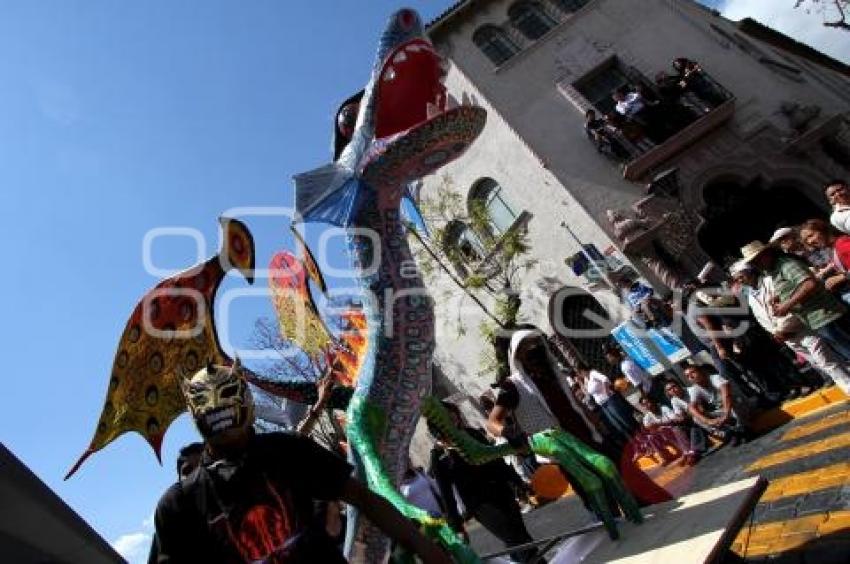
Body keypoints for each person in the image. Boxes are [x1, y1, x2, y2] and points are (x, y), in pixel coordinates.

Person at [152, 360, 450, 564]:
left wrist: (426, 548)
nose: (220, 412)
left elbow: (363, 498)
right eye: (210, 405)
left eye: (227, 398)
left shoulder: (286, 450)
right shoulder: (179, 504)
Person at [487, 329, 643, 540]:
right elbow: (492, 422)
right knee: (593, 491)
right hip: (562, 448)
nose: (534, 350)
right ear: (517, 355)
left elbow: (574, 403)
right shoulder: (512, 386)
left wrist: (597, 423)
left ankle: (641, 518)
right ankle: (617, 532)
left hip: (588, 436)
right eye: (526, 348)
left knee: (617, 472)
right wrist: (509, 433)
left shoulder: (554, 374)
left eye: (537, 344)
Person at [428, 401, 538, 562]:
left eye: (452, 412)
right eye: (445, 415)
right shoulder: (438, 456)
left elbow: (497, 460)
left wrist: (518, 482)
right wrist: (457, 527)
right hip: (481, 505)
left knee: (519, 536)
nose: (451, 416)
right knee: (515, 537)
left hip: (502, 492)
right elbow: (447, 495)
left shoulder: (472, 434)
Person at [730, 260, 850, 394]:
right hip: (786, 337)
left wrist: (782, 330)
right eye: (737, 278)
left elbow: (789, 306)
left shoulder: (770, 281)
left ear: (750, 271)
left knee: (826, 361)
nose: (740, 280)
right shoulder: (750, 295)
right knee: (819, 364)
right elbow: (761, 317)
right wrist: (774, 332)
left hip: (801, 329)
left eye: (741, 275)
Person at [742, 240, 850, 363]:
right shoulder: (774, 270)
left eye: (756, 260)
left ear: (766, 254)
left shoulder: (786, 265)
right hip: (817, 319)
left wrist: (787, 305)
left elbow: (809, 284)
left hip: (826, 314)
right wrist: (780, 297)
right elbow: (795, 286)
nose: (756, 264)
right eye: (752, 262)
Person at [575, 363, 639, 450]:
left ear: (582, 370)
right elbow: (587, 392)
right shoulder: (587, 379)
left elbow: (605, 379)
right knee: (618, 425)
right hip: (603, 405)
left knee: (625, 421)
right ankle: (636, 445)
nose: (579, 375)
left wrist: (606, 390)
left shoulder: (593, 373)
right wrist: (580, 382)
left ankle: (641, 436)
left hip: (609, 401)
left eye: (579, 373)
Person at [683, 363, 749, 445]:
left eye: (693, 372)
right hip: (724, 412)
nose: (691, 377)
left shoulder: (715, 378)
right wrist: (708, 421)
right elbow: (691, 407)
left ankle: (743, 429)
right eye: (688, 376)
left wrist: (726, 414)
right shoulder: (694, 389)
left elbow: (727, 395)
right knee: (696, 418)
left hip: (739, 406)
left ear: (701, 371)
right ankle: (730, 433)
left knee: (731, 403)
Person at [799, 218, 850, 303]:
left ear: (822, 230)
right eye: (806, 240)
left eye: (811, 235)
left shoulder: (841, 243)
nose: (810, 241)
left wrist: (841, 277)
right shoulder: (834, 248)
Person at [663, 381, 708, 464]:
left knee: (694, 421)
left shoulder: (691, 391)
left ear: (679, 385)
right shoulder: (674, 400)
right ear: (668, 393)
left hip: (706, 413)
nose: (673, 390)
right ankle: (688, 452)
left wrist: (685, 416)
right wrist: (678, 418)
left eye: (674, 386)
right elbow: (681, 415)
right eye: (669, 389)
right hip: (694, 417)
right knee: (676, 427)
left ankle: (694, 451)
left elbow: (701, 409)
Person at [637, 396, 690, 466]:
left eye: (648, 402)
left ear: (653, 402)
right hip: (662, 436)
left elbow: (673, 419)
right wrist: (659, 427)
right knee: (650, 437)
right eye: (645, 404)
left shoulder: (663, 408)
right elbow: (649, 428)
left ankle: (686, 452)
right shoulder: (647, 417)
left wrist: (659, 425)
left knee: (671, 429)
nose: (648, 405)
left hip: (672, 432)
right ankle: (666, 456)